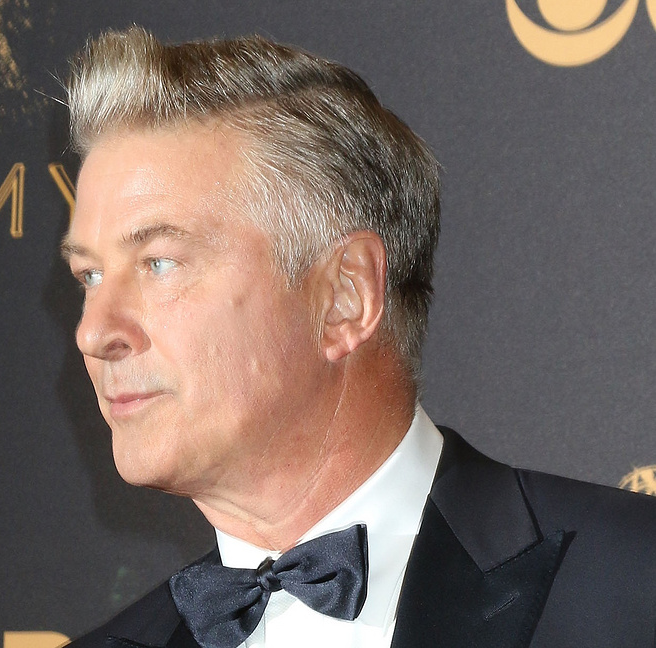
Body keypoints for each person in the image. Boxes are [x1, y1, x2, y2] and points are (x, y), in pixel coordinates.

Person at [59, 26, 656, 648]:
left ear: (345, 297)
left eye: (158, 263)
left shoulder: (638, 585)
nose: (93, 332)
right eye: (89, 276)